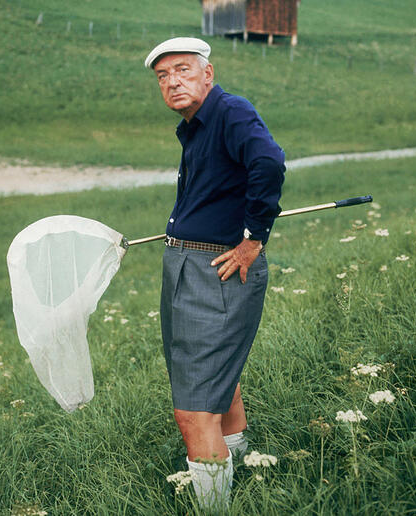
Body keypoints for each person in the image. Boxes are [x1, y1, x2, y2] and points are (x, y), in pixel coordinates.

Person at [144, 37, 285, 510]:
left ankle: (214, 507)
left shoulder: (230, 110)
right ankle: (243, 470)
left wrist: (252, 239)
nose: (172, 82)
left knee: (193, 407)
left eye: (182, 70)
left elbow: (269, 161)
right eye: (163, 76)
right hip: (189, 267)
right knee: (216, 381)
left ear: (208, 73)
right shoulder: (196, 125)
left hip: (216, 272)